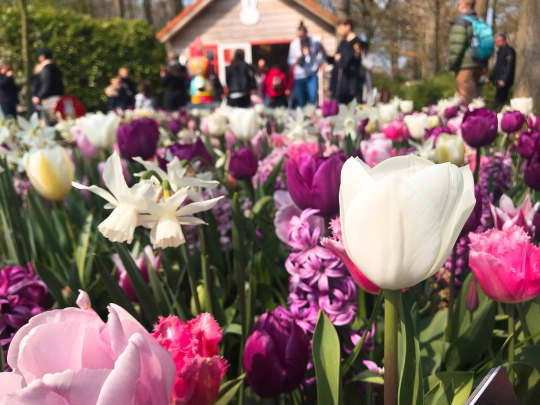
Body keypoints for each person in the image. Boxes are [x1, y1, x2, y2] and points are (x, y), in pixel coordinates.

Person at [447, 0, 486, 104]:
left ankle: (470, 119)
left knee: (465, 100)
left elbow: (457, 45)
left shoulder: (462, 20)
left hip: (465, 66)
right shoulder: (478, 20)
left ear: (463, 5)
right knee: (476, 98)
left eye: (459, 3)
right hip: (478, 63)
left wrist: (451, 64)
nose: (458, 5)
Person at [287, 21, 326, 106]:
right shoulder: (294, 44)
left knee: (312, 98)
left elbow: (321, 53)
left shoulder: (314, 41)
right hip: (299, 75)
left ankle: (313, 116)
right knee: (301, 101)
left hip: (311, 74)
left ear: (306, 33)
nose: (301, 38)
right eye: (299, 36)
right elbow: (290, 61)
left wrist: (320, 63)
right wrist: (296, 61)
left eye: (302, 35)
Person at [331, 18, 363, 104]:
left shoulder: (356, 42)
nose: (338, 30)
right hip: (341, 81)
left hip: (352, 80)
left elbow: (357, 54)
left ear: (348, 27)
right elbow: (336, 56)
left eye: (340, 27)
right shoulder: (343, 43)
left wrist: (354, 54)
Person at [33, 47, 64, 120]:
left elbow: (46, 85)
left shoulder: (46, 69)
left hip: (49, 100)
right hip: (59, 97)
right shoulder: (55, 67)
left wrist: (39, 96)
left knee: (51, 123)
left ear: (42, 57)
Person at [489, 33, 516, 109]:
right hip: (498, 80)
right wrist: (491, 78)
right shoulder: (500, 51)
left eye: (498, 41)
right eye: (496, 41)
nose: (497, 43)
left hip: (504, 81)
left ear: (504, 40)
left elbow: (509, 67)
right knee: (498, 100)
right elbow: (497, 67)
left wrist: (504, 79)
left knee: (500, 101)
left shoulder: (509, 51)